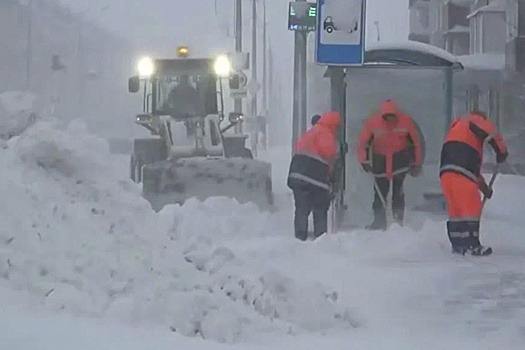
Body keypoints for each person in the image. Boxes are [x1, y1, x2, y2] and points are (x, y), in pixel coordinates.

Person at [439, 110, 508, 256]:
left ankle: (458, 245)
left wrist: (483, 188)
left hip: (446, 171)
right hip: (462, 168)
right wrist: (501, 152)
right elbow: (493, 133)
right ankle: (472, 245)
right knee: (471, 209)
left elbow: (472, 174)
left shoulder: (457, 128)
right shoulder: (475, 120)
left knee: (456, 211)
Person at [357, 99, 423, 230]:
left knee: (398, 192)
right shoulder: (373, 123)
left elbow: (416, 144)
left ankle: (398, 220)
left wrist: (417, 162)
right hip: (380, 160)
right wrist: (363, 161)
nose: (390, 119)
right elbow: (363, 144)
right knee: (380, 192)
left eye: (392, 116)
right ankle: (379, 221)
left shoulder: (406, 122)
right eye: (387, 116)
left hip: (399, 160)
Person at [287, 111, 342, 241]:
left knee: (302, 207)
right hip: (315, 177)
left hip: (297, 174)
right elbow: (330, 159)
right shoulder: (328, 135)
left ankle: (300, 236)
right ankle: (320, 236)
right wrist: (332, 181)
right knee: (320, 206)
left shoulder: (310, 132)